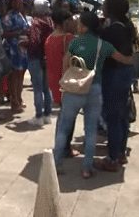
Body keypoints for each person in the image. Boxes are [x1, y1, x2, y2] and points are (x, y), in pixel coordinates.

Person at [53, 11, 132, 179]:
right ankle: (87, 168)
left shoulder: (75, 42)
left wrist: (65, 82)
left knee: (64, 128)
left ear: (84, 26)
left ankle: (56, 163)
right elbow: (124, 59)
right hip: (94, 90)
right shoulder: (103, 45)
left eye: (79, 23)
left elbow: (65, 63)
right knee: (90, 131)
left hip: (73, 90)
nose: (77, 25)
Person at [95, 0, 135, 172]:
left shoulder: (112, 30)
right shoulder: (127, 26)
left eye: (105, 4)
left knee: (113, 117)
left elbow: (102, 51)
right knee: (122, 115)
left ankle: (112, 158)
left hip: (114, 75)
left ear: (111, 8)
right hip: (125, 74)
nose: (103, 7)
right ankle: (120, 152)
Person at [26, 0, 54, 126]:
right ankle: (47, 115)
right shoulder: (50, 22)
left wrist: (25, 44)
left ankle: (38, 116)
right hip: (47, 57)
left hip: (35, 57)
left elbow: (34, 41)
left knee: (37, 88)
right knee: (46, 88)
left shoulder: (35, 23)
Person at [3, 0, 29, 113]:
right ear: (12, 3)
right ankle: (14, 100)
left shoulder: (21, 15)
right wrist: (18, 33)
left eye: (21, 1)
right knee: (14, 76)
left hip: (22, 49)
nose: (20, 4)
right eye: (17, 1)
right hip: (13, 49)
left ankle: (19, 97)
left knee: (21, 75)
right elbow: (5, 34)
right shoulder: (8, 16)